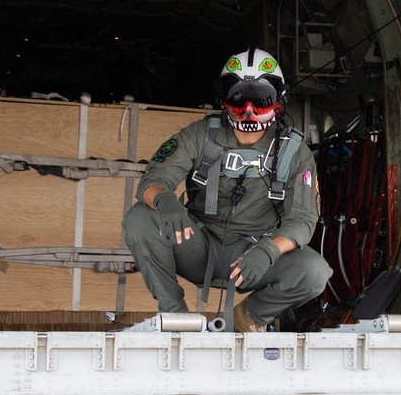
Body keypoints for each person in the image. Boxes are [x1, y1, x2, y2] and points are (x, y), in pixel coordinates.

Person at [122, 48, 331, 332]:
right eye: (238, 96)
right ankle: (176, 317)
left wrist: (269, 249)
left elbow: (303, 220)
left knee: (314, 272)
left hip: (254, 255)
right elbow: (154, 178)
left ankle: (250, 317)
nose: (248, 108)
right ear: (224, 98)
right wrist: (164, 201)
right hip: (199, 245)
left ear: (278, 100)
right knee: (139, 219)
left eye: (260, 99)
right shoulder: (200, 134)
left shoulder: (295, 152)